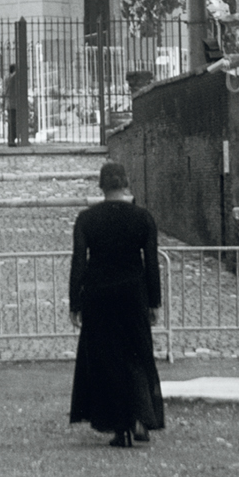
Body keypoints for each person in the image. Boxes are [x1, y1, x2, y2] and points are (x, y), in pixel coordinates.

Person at [69, 160, 166, 448]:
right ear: (125, 184)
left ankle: (118, 427)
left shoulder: (86, 219)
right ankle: (140, 416)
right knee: (137, 355)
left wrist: (75, 302)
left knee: (106, 358)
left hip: (98, 296)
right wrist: (154, 301)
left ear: (101, 185)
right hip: (133, 294)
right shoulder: (143, 218)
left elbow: (78, 262)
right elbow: (151, 263)